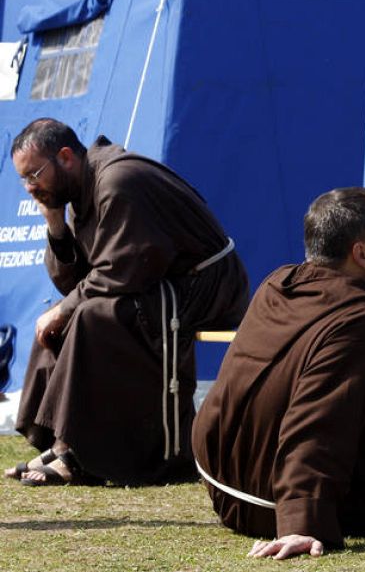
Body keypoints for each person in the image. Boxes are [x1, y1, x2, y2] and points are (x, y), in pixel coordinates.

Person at [192, 187, 365, 560]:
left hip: (223, 482)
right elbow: (318, 420)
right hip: (271, 505)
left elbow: (331, 319)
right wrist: (302, 521)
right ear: (360, 253)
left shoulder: (280, 283)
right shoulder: (361, 322)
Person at [5, 118, 249, 486]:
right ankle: (64, 443)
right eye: (25, 179)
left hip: (205, 287)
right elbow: (74, 282)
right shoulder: (81, 191)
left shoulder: (118, 182)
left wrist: (67, 308)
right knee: (66, 317)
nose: (30, 188)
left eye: (34, 175)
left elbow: (123, 269)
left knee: (90, 316)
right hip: (159, 281)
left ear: (66, 157)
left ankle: (80, 452)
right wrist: (56, 225)